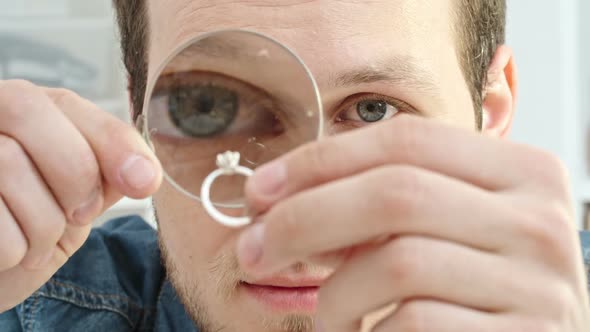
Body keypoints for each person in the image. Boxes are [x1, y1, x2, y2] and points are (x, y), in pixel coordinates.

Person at [1, 1, 589, 331]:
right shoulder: (25, 297)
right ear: (136, 111)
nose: (291, 213)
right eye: (210, 106)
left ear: (489, 110)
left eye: (372, 110)